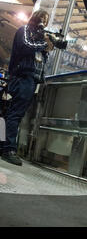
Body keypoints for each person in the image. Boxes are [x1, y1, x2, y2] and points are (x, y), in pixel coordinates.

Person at [0, 10, 53, 166]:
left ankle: (5, 146)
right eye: (41, 18)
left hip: (31, 80)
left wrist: (46, 48)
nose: (43, 21)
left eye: (46, 19)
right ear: (34, 18)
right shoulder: (24, 31)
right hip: (22, 77)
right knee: (14, 114)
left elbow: (39, 60)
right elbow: (25, 46)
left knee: (14, 113)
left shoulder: (39, 39)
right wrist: (44, 44)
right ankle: (8, 149)